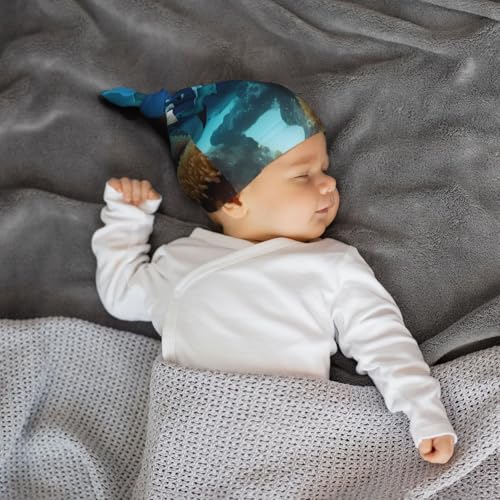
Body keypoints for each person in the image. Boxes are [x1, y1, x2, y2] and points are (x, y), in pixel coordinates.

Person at [92, 79, 457, 464]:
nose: (329, 183)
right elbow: (122, 295)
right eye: (303, 175)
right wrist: (126, 220)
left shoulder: (331, 264)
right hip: (193, 438)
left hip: (288, 438)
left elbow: (382, 339)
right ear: (233, 199)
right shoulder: (182, 261)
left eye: (324, 169)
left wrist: (424, 411)